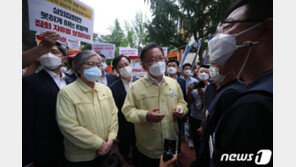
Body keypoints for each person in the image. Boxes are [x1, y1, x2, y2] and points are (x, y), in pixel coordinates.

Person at [207, 0, 273, 166]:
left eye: (228, 26)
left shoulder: (255, 106)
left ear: (266, 29)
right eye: (219, 29)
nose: (219, 36)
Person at [122, 43, 188, 167]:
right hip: (147, 149)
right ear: (143, 66)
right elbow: (127, 111)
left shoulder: (174, 83)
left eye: (161, 58)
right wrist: (145, 115)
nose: (158, 62)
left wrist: (181, 110)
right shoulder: (135, 87)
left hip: (171, 145)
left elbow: (182, 103)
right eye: (152, 60)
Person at [56, 50, 118, 167]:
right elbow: (68, 126)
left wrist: (111, 139)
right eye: (90, 64)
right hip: (80, 157)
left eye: (98, 65)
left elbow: (114, 115)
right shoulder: (66, 93)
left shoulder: (106, 90)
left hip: (106, 152)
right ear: (78, 69)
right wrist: (100, 144)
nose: (95, 68)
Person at [22, 41, 67, 167]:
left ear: (64, 59)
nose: (48, 55)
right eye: (45, 51)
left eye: (54, 52)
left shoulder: (72, 81)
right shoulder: (29, 82)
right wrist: (28, 158)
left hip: (71, 146)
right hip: (45, 150)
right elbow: (26, 122)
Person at [109, 55, 138, 164]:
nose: (125, 68)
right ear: (116, 70)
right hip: (123, 127)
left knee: (139, 151)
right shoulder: (112, 88)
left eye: (127, 64)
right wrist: (114, 131)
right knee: (124, 152)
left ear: (131, 65)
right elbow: (112, 111)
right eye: (121, 66)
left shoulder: (141, 83)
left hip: (140, 125)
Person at [166, 58, 187, 154]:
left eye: (173, 66)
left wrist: (183, 111)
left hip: (179, 113)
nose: (171, 68)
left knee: (179, 134)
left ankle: (177, 152)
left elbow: (184, 99)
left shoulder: (182, 81)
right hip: (167, 114)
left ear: (178, 68)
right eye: (169, 66)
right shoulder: (163, 80)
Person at [182, 63, 198, 148]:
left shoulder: (195, 81)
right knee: (182, 120)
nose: (187, 70)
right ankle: (182, 135)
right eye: (186, 68)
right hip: (182, 103)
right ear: (182, 70)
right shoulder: (180, 80)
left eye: (189, 69)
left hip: (192, 104)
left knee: (191, 121)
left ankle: (190, 138)